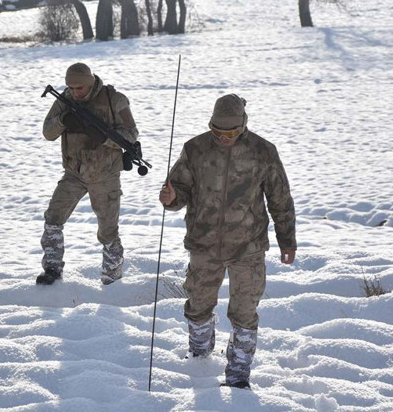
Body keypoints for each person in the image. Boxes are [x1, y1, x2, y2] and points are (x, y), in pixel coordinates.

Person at [159, 94, 296, 389]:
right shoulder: (194, 149)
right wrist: (171, 198)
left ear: (243, 125)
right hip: (204, 243)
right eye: (218, 132)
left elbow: (280, 199)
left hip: (248, 246)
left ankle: (238, 376)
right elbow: (179, 188)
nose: (224, 138)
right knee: (197, 305)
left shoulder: (263, 152)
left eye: (232, 133)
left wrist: (287, 240)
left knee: (245, 312)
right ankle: (199, 359)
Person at [37, 62, 139, 285]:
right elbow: (47, 132)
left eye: (79, 88)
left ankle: (112, 279)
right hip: (74, 173)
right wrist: (63, 120)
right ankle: (52, 270)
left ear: (91, 83)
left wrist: (104, 137)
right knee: (53, 218)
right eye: (71, 88)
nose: (75, 92)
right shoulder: (64, 101)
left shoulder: (115, 100)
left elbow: (131, 134)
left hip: (105, 174)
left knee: (108, 231)